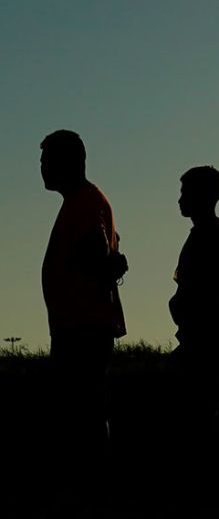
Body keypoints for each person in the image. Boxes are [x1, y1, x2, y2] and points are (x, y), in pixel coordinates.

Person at [40, 130, 127, 455]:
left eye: (47, 161)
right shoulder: (84, 202)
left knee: (81, 410)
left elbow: (97, 251)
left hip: (83, 328)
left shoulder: (84, 204)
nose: (43, 168)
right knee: (84, 408)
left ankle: (89, 486)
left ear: (68, 162)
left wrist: (107, 263)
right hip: (79, 325)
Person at [170, 165, 219, 438]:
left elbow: (202, 291)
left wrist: (180, 306)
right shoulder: (207, 234)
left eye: (186, 192)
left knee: (196, 420)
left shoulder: (209, 236)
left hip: (204, 339)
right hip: (201, 337)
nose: (180, 199)